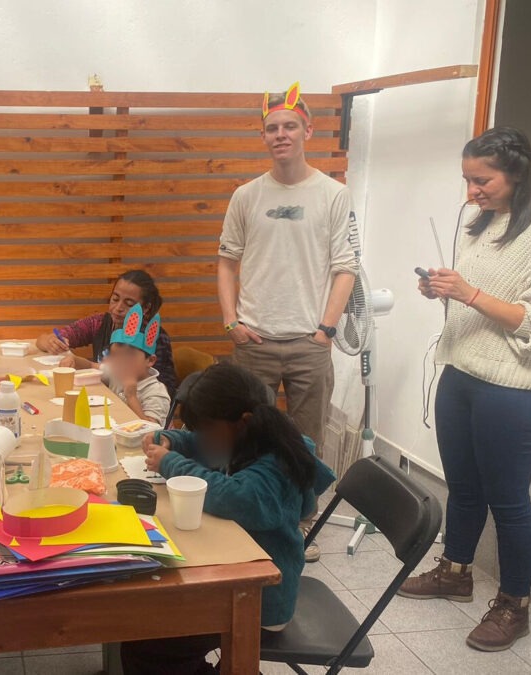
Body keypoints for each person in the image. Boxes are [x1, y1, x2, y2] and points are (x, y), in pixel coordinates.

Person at [398, 127, 531, 652]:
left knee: (509, 501)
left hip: (514, 389)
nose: (472, 191)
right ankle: (455, 572)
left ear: (515, 173)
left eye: (481, 180)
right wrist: (443, 289)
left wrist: (467, 291)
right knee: (462, 487)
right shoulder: (478, 224)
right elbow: (477, 301)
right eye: (467, 180)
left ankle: (515, 607)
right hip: (461, 373)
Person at [217, 81, 358, 561]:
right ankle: (253, 517)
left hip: (309, 341)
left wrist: (326, 331)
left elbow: (346, 267)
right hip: (253, 337)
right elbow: (225, 262)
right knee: (247, 432)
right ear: (263, 136)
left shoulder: (333, 195)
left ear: (308, 131)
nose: (281, 135)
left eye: (290, 126)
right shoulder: (246, 196)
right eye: (272, 128)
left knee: (305, 440)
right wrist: (230, 321)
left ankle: (300, 523)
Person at [125, 362, 335, 674]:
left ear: (243, 422)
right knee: (144, 626)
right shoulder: (246, 433)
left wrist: (170, 463)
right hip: (234, 577)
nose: (204, 438)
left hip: (261, 600)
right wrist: (172, 440)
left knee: (149, 643)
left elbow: (236, 497)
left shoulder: (277, 460)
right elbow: (201, 444)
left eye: (208, 430)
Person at [38, 269, 178, 397]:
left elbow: (166, 389)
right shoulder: (100, 323)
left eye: (128, 304)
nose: (118, 308)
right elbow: (49, 338)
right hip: (104, 397)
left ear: (146, 308)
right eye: (115, 299)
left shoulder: (152, 338)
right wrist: (50, 342)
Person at [101, 304, 171, 425]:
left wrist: (132, 397)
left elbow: (150, 431)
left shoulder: (156, 393)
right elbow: (95, 369)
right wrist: (74, 359)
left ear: (150, 360)